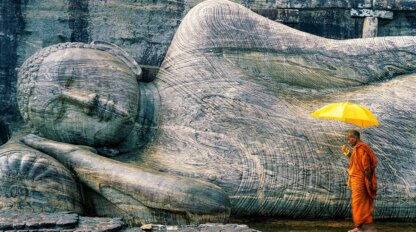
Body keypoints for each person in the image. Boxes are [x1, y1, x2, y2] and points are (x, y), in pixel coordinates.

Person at [342, 130, 378, 232]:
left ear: (356, 138)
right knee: (358, 204)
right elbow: (355, 160)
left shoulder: (362, 149)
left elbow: (367, 168)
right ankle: (359, 227)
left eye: (350, 138)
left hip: (360, 181)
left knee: (359, 204)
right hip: (356, 180)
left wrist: (368, 181)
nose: (348, 141)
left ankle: (364, 228)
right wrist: (347, 152)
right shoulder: (357, 149)